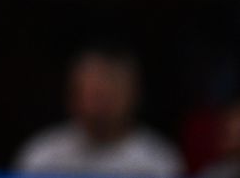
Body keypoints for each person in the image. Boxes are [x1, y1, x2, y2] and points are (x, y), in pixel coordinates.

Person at [13, 45, 184, 177]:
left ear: (133, 94)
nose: (97, 107)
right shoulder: (41, 155)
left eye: (108, 94)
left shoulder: (157, 161)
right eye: (91, 94)